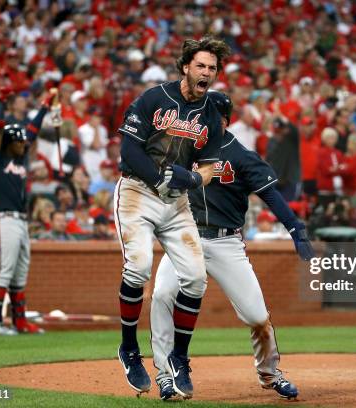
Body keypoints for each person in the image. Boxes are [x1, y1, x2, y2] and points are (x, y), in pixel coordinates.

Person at [151, 91, 313, 401]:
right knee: (161, 295)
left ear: (225, 120)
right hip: (186, 236)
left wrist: (294, 227)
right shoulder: (181, 147)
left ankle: (270, 373)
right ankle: (165, 374)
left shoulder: (240, 155)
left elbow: (270, 195)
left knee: (256, 317)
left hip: (226, 241)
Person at [114, 37, 230, 399]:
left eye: (211, 68)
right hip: (138, 190)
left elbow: (210, 167)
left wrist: (196, 178)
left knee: (195, 279)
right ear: (186, 67)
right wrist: (158, 176)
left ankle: (179, 357)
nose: (206, 73)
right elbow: (129, 147)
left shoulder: (211, 111)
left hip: (176, 201)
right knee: (139, 267)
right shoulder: (154, 97)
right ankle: (129, 349)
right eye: (201, 66)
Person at [0, 86, 57, 336]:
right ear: (8, 142)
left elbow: (33, 132)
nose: (22, 144)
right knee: (4, 271)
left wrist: (45, 107)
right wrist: (1, 103)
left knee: (19, 274)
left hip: (20, 221)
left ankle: (19, 322)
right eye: (17, 141)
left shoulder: (19, 157)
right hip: (3, 220)